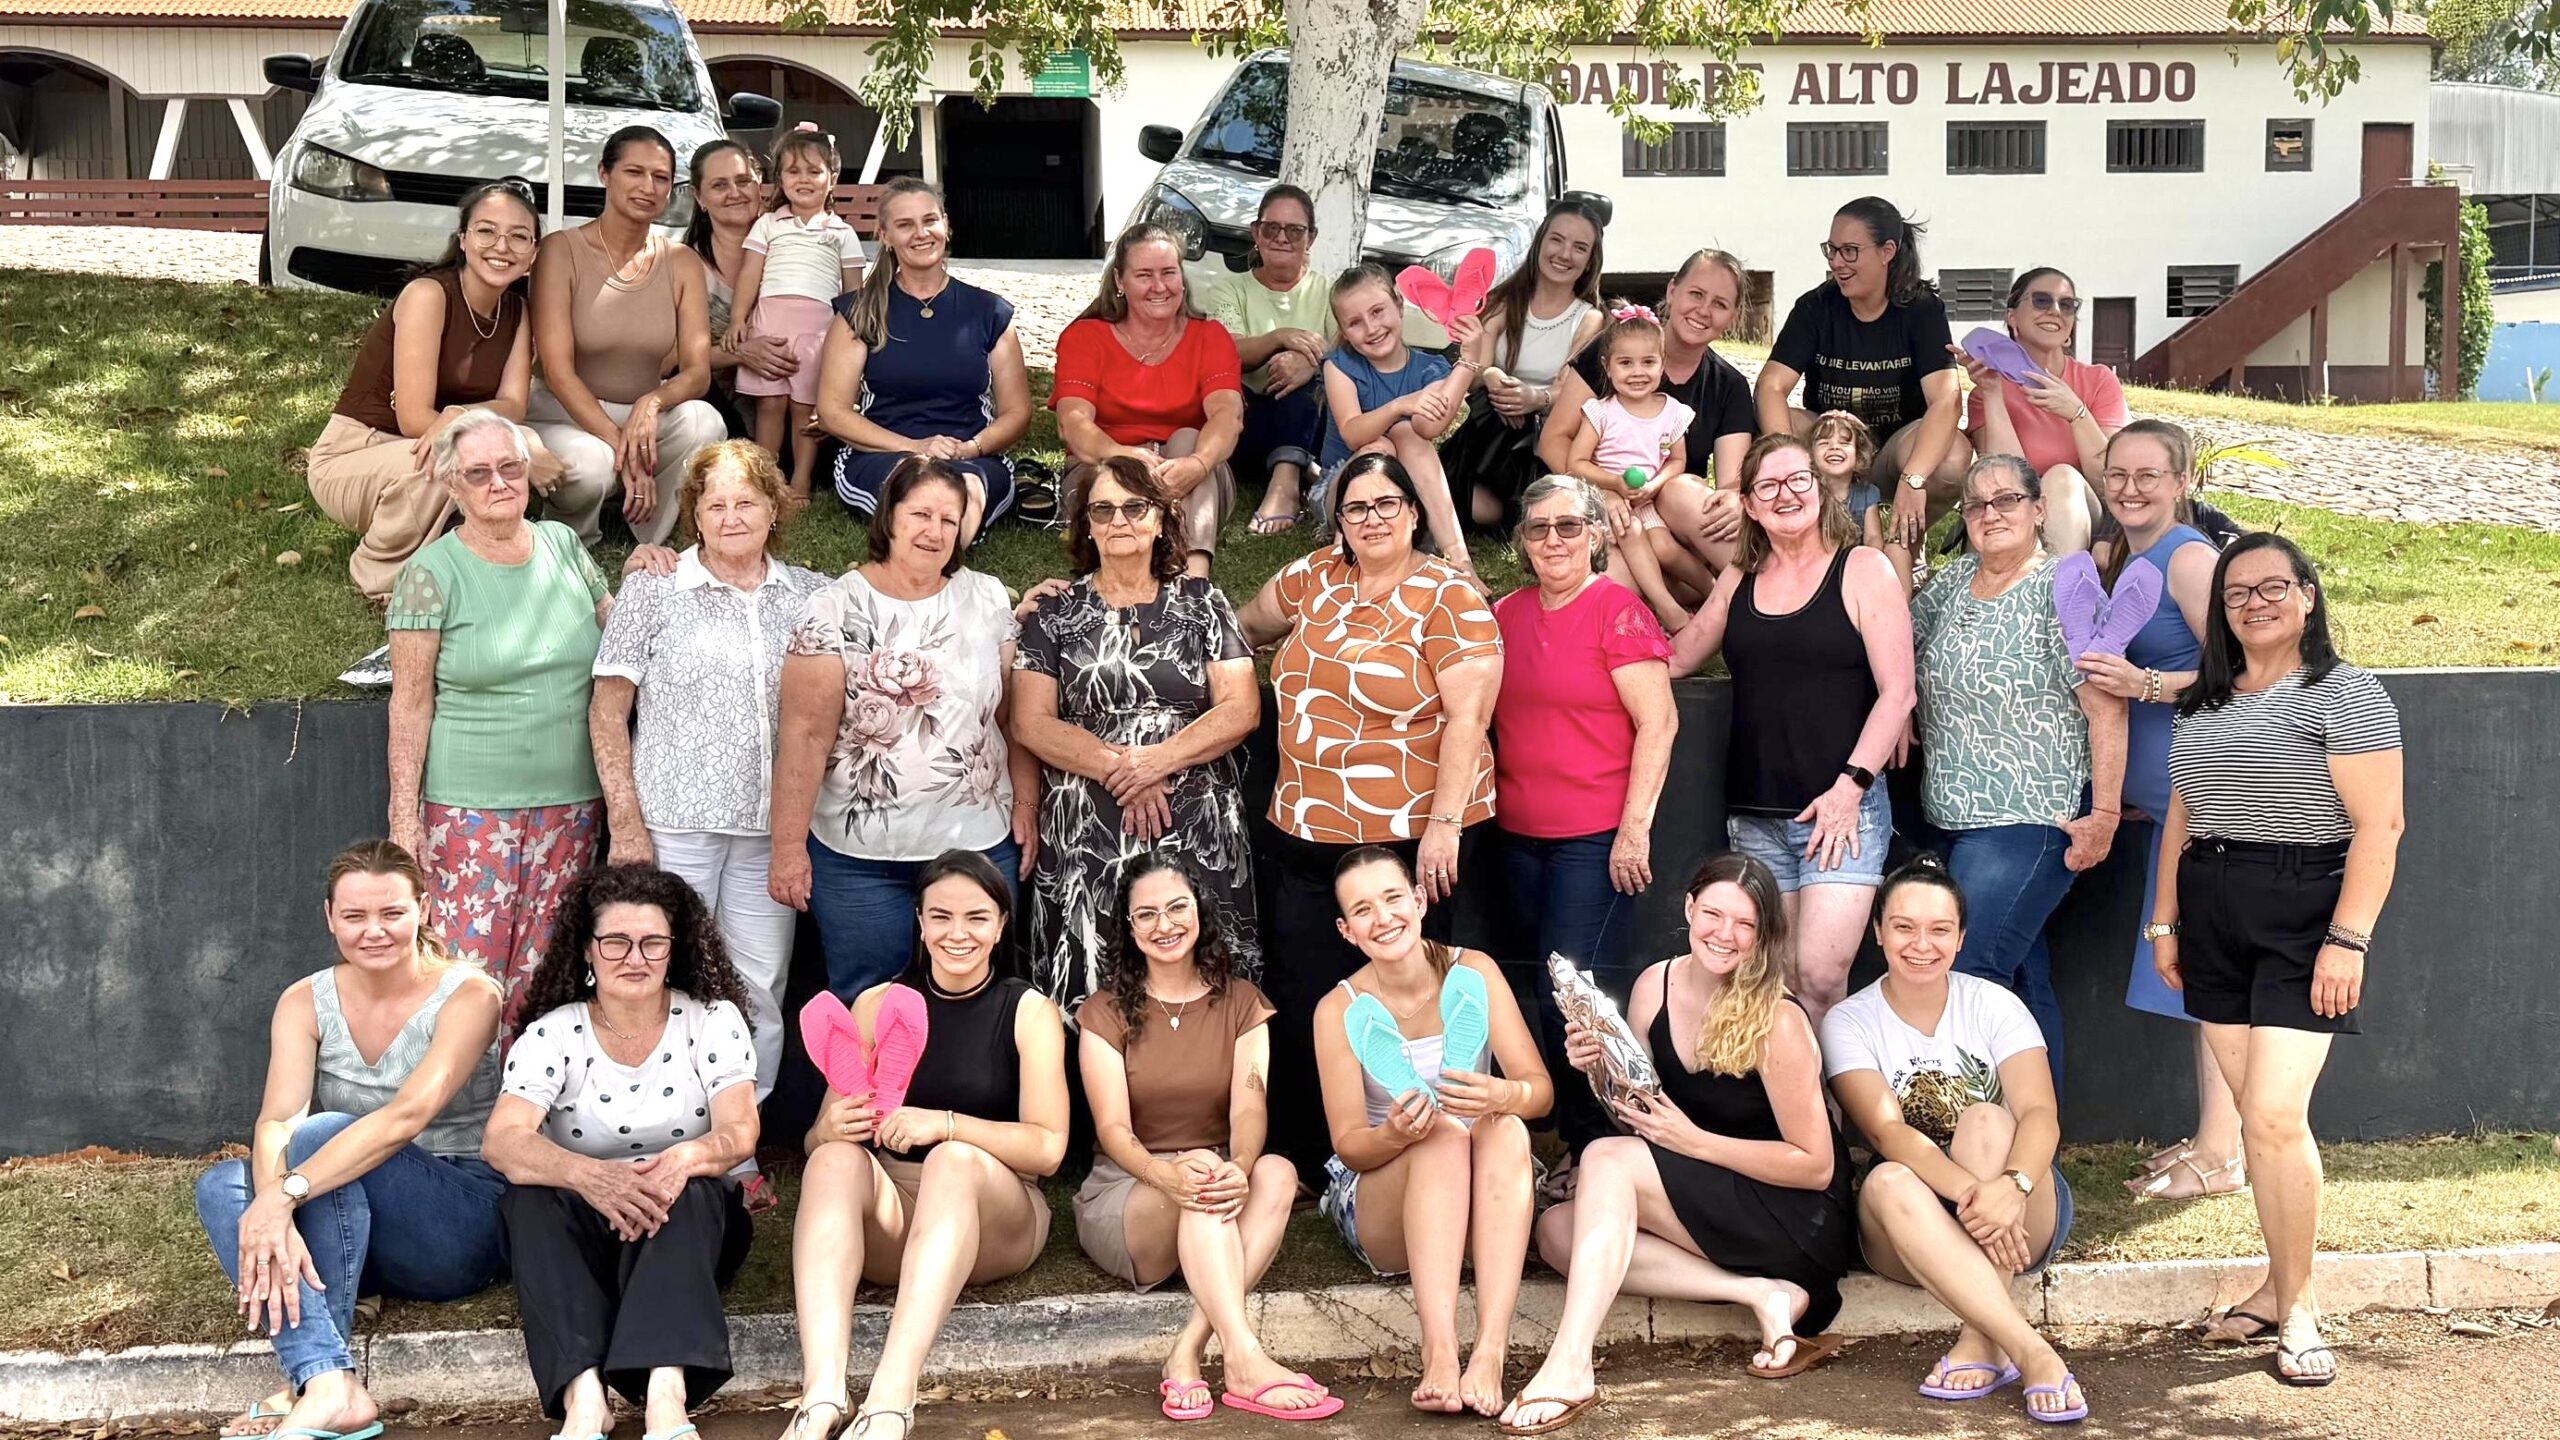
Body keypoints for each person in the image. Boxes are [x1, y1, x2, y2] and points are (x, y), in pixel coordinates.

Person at [2153, 533, 2403, 1385]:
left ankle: (2298, 1310)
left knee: (2270, 1116)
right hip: (2212, 910)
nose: (2254, 603)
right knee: (2257, 1122)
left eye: (2272, 588)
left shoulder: (2346, 692)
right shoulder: (2204, 701)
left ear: (2307, 595)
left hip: (2305, 913)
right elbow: (2182, 815)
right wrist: (2163, 923)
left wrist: (2348, 940)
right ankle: (2277, 1287)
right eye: (2237, 593)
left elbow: (2381, 826)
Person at [1504, 855, 1854, 1433]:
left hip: (1793, 1215)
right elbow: (1643, 1124)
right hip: (1707, 1194)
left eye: (1744, 923)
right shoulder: (1654, 985)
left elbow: (1815, 1166)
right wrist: (1597, 1070)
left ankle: (1570, 1363)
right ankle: (1760, 1294)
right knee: (1558, 1233)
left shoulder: (1778, 1018)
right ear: (1689, 908)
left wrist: (1694, 1141)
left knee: (1603, 1159)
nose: (1725, 933)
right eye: (1713, 913)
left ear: (1764, 933)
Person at [1237, 453, 1503, 1174]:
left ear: (1415, 513)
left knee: (1413, 999)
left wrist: (1445, 826)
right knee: (1306, 992)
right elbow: (1241, 627)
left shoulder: (1449, 596)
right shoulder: (1313, 576)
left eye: (1388, 504)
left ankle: (1431, 1148)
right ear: (1339, 521)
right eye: (1356, 508)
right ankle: (1311, 1155)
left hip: (1412, 841)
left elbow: (1469, 718)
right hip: (1304, 830)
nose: (1372, 519)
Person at [194, 841, 507, 1440]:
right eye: (355, 916)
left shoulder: (471, 995)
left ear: (424, 910)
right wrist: (274, 1206)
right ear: (329, 917)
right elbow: (276, 1121)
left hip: (456, 1220)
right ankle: (328, 1381)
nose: (374, 931)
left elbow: (409, 1116)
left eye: (392, 913)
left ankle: (313, 1383)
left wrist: (284, 1196)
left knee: (323, 1133)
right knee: (221, 1185)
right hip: (351, 1230)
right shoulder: (304, 1000)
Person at [591, 439, 827, 1205]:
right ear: (693, 512)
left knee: (757, 988)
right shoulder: (655, 589)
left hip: (770, 831)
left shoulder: (810, 596)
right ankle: (663, 1146)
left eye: (746, 502)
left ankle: (734, 1155)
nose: (730, 517)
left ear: (773, 509)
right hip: (674, 825)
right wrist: (627, 824)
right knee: (669, 983)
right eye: (714, 504)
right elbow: (607, 711)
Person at [781, 851, 1069, 1440]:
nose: (957, 933)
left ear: (1001, 925)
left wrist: (945, 1124)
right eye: (940, 916)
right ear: (918, 921)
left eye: (976, 918)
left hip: (996, 1217)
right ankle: (821, 1393)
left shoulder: (1028, 1011)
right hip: (896, 1215)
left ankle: (892, 1396)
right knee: (834, 1160)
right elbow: (815, 1138)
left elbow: (1048, 1149)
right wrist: (832, 1130)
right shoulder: (877, 1003)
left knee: (953, 1159)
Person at [482, 865, 762, 1440]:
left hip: (688, 1226)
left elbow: (740, 1131)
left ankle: (666, 1396)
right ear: (588, 949)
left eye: (652, 942)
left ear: (674, 949)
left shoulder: (712, 1019)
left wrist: (683, 1160)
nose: (635, 958)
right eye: (616, 942)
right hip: (588, 1228)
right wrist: (591, 1178)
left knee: (694, 1188)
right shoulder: (553, 1032)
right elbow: (502, 1140)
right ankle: (585, 1400)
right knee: (529, 1202)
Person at [1825, 856, 2086, 1424]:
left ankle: (1979, 1337)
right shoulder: (1849, 1021)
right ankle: (2031, 1350)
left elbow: (2040, 1113)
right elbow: (1887, 1131)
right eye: (1904, 927)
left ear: (1962, 937)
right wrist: (1976, 1194)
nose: (1922, 944)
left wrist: (2012, 1187)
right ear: (1878, 932)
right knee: (1886, 1179)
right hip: (1916, 1222)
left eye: (1940, 929)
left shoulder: (1995, 1004)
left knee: (1987, 1121)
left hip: (2020, 1208)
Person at [1664, 433, 1915, 1023]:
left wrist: (1850, 788)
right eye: (1768, 486)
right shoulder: (1741, 576)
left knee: (1821, 978)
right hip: (1756, 814)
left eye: (1798, 479)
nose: (1786, 494)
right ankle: (1793, 1087)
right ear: (1749, 505)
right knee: (1773, 983)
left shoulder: (1863, 568)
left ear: (1819, 488)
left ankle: (1835, 1087)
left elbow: (1898, 692)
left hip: (1840, 810)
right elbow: (1680, 656)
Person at [769, 457, 1040, 1000]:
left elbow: (1012, 719)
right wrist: (788, 847)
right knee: (870, 1003)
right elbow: (803, 737)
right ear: (889, 515)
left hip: (976, 846)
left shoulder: (988, 597)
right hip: (861, 859)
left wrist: (1026, 805)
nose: (934, 531)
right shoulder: (833, 607)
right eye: (920, 514)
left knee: (979, 999)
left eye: (948, 519)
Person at [1074, 856, 1334, 1421]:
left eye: (1177, 907)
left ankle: (1189, 1349)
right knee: (1199, 1170)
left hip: (1213, 1182)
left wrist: (1240, 1163)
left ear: (1200, 911)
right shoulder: (1104, 1011)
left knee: (1278, 1172)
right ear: (1129, 928)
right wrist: (1164, 1173)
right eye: (1147, 914)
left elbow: (1249, 1104)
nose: (1164, 924)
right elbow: (1112, 1128)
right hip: (1132, 1189)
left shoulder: (1241, 1001)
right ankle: (1245, 1357)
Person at [386, 409, 611, 1031]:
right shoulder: (429, 574)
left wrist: (654, 575)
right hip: (470, 813)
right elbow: (410, 702)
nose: (499, 482)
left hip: (571, 805)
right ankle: (458, 1097)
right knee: (467, 982)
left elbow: (618, 634)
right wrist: (403, 820)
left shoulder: (563, 546)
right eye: (479, 473)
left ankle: (525, 1096)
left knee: (547, 981)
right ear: (452, 485)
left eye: (510, 467)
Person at [1906, 455, 2127, 1088]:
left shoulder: (2067, 586)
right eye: (1976, 504)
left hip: (2033, 817)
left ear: (2038, 510)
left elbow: (2107, 706)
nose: (1991, 513)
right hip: (1948, 816)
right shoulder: (1952, 583)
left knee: (1970, 970)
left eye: (2007, 500)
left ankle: (1998, 1123)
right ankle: (2040, 1126)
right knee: (2022, 975)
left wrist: (2104, 815)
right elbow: (1896, 647)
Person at [1011, 456, 1260, 1015]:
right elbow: (1030, 721)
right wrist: (1122, 768)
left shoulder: (1204, 603)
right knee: (1092, 974)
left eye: (1134, 507)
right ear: (1086, 526)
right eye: (1102, 510)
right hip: (1087, 818)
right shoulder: (1054, 612)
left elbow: (1241, 707)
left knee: (1203, 970)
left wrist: (1157, 762)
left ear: (1161, 519)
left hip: (1193, 816)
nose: (1118, 520)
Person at [1313, 848, 1553, 1417]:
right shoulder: (1336, 1009)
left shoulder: (1477, 971)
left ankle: (1490, 1351)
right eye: (1363, 910)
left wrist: (1501, 1095)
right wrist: (1396, 1134)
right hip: (1390, 1197)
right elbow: (1350, 1145)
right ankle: (1439, 1350)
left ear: (1419, 900)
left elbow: (1539, 1092)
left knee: (1506, 1130)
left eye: (1393, 898)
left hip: (1487, 1195)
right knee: (1442, 1133)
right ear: (1347, 931)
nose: (1383, 918)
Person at [1488, 475, 1675, 1172]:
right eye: (1539, 528)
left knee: (1574, 997)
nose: (1554, 540)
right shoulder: (1505, 614)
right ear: (1523, 541)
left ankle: (1600, 1142)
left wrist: (1635, 829)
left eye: (1569, 525)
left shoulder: (1616, 611)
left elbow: (1660, 722)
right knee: (1533, 991)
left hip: (1595, 840)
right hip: (1516, 838)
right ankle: (1564, 1135)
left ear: (1596, 535)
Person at [2082, 422, 2244, 1202]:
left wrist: (2146, 685)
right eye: (2118, 474)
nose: (2131, 489)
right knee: (2198, 977)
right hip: (2170, 810)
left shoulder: (2188, 558)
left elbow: (2244, 664)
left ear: (2182, 482)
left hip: (2213, 802)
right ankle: (2217, 1137)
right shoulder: (2127, 556)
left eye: (2149, 475)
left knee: (2216, 977)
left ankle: (2223, 1156)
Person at [307, 179, 562, 600]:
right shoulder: (429, 295)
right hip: (357, 453)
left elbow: (514, 405)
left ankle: (474, 558)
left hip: (422, 450)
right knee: (457, 459)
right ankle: (381, 576)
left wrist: (467, 418)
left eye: (519, 237)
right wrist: (473, 424)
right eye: (486, 231)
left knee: (494, 451)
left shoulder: (517, 312)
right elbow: (414, 419)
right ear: (463, 239)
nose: (501, 246)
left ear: (533, 252)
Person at [526, 124, 726, 546]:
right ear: (605, 173)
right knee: (592, 466)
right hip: (562, 410)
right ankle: (569, 537)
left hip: (639, 413)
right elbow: (558, 372)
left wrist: (651, 402)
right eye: (634, 172)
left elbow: (697, 373)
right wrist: (624, 450)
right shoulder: (561, 251)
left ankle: (650, 531)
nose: (648, 187)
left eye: (661, 177)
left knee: (706, 422)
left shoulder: (682, 262)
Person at [816, 177, 1031, 545]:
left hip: (972, 455)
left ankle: (942, 565)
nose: (921, 233)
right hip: (885, 453)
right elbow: (833, 412)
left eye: (930, 220)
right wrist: (915, 447)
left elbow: (1017, 412)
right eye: (905, 225)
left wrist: (971, 448)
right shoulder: (858, 313)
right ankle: (940, 566)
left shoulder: (989, 312)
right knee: (921, 490)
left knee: (962, 489)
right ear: (885, 236)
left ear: (945, 224)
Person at [1540, 249, 1757, 605]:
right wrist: (1604, 493)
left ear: (1732, 317)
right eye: (1696, 294)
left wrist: (1734, 497)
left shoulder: (1728, 385)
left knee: (1683, 490)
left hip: (1676, 517)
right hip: (1614, 510)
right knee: (1615, 583)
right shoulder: (1617, 351)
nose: (1703, 310)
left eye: (1720, 304)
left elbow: (1731, 483)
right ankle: (1692, 594)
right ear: (1672, 291)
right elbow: (1553, 439)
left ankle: (1760, 595)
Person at [1756, 197, 1970, 549]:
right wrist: (1790, 464)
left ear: (1887, 251)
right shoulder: (1815, 307)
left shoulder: (1921, 310)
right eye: (1832, 250)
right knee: (1769, 429)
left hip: (1895, 451)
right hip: (1829, 442)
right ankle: (1810, 533)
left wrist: (1914, 478)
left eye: (1850, 251)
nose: (1836, 262)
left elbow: (1947, 399)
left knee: (1953, 455)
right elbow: (1770, 386)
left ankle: (1904, 543)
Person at [1051, 224, 1244, 577]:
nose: (1159, 286)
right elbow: (1072, 422)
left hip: (1192, 476)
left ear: (1182, 278)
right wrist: (1120, 454)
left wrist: (1199, 464)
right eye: (1144, 275)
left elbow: (1227, 414)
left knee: (1188, 437)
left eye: (1169, 273)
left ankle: (1193, 580)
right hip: (1106, 464)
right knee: (1114, 482)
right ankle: (1135, 563)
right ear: (1119, 281)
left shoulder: (1210, 336)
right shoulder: (1085, 337)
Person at [1445, 200, 1607, 530]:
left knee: (1494, 513)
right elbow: (1476, 369)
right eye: (1556, 240)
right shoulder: (1504, 301)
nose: (1564, 254)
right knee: (1467, 504)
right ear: (1540, 242)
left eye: (1579, 248)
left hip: (1539, 440)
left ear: (1590, 261)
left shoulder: (1588, 319)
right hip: (1489, 432)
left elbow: (1569, 389)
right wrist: (1494, 377)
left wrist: (1535, 398)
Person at [1316, 263, 1483, 579]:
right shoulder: (1340, 365)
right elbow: (1353, 434)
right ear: (1344, 332)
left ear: (1399, 305)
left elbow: (1429, 426)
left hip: (1407, 494)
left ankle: (1460, 561)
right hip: (1342, 489)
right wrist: (1399, 405)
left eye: (1378, 312)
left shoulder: (1430, 368)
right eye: (1355, 323)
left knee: (1407, 432)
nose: (1371, 328)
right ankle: (1344, 558)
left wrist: (1469, 361)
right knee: (1379, 446)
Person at [726, 123, 863, 501]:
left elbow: (853, 293)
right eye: (793, 171)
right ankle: (765, 479)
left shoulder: (841, 233)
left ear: (832, 179)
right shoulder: (768, 224)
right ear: (780, 179)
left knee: (805, 408)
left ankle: (801, 482)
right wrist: (738, 319)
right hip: (770, 324)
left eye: (814, 171)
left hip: (818, 330)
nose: (803, 179)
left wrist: (851, 339)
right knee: (770, 404)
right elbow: (750, 274)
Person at [1954, 267, 2128, 555]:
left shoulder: (2098, 380)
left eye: (2067, 305)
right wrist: (1993, 393)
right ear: (2012, 317)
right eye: (2041, 301)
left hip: (2088, 520)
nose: (2055, 311)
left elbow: (2110, 482)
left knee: (2062, 478)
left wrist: (2077, 413)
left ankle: (2059, 582)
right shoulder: (1986, 393)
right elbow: (2006, 482)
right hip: (2017, 516)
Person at [1207, 184, 1335, 536]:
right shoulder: (1229, 290)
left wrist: (1312, 363)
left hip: (1310, 425)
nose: (1281, 238)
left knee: (1312, 377)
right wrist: (1280, 337)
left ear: (1311, 238)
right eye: (1271, 228)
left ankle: (1286, 485)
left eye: (1294, 230)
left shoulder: (1329, 293)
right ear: (1255, 233)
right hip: (1247, 427)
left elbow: (1351, 353)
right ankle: (1299, 470)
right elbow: (1227, 354)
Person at [682, 139, 802, 435]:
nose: (735, 193)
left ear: (759, 183)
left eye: (743, 181)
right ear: (699, 197)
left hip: (796, 401)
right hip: (714, 409)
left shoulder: (796, 247)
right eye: (719, 185)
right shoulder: (683, 264)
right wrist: (740, 353)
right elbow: (667, 360)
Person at [1808, 410, 1901, 586]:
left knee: (1897, 551)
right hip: (1819, 566)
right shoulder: (1810, 493)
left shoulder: (1867, 493)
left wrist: (1869, 563)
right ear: (1811, 456)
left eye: (1844, 443)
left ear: (1858, 455)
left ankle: (1895, 600)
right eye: (1824, 443)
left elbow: (1873, 537)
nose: (1834, 447)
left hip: (1857, 564)